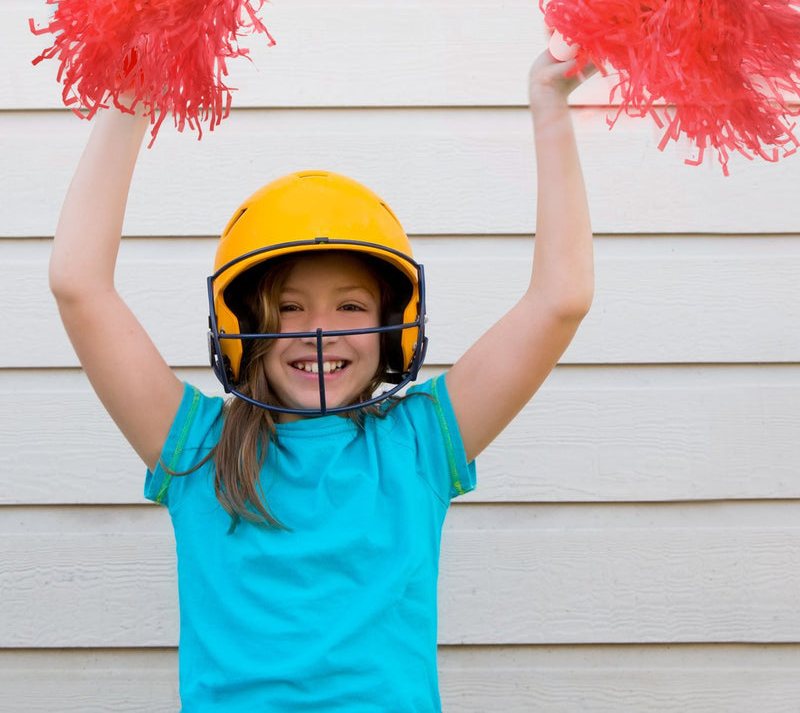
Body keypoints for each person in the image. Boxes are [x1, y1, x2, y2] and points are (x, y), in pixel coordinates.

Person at [49, 48, 594, 712]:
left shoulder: (419, 443)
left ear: (395, 325)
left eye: (351, 306)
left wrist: (549, 101)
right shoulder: (197, 449)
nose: (320, 330)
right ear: (240, 326)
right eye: (288, 308)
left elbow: (559, 299)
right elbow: (79, 285)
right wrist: (130, 97)